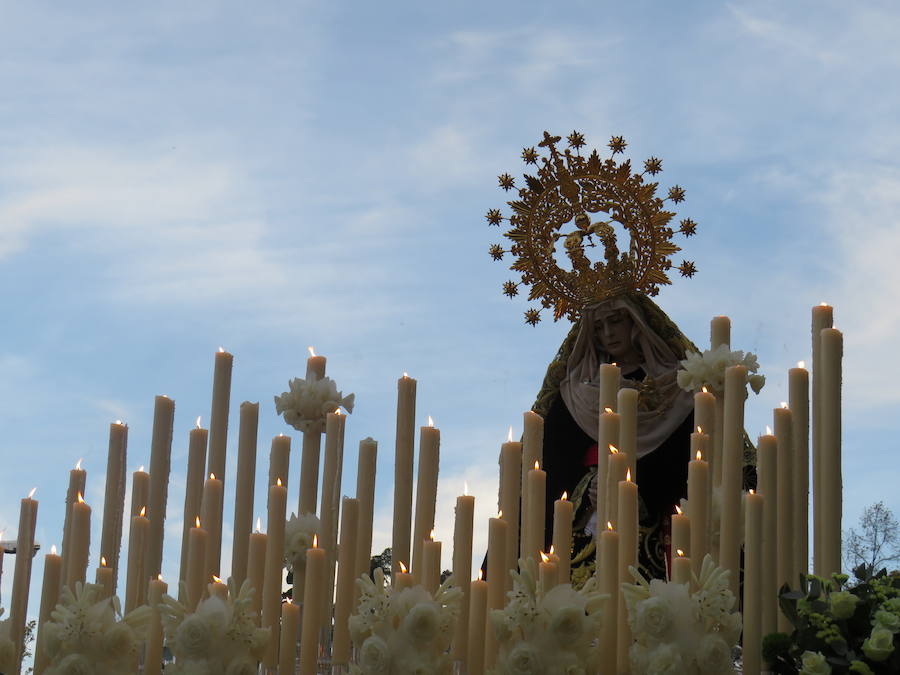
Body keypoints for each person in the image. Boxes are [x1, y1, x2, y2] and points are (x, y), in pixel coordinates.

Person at [533, 292, 698, 581]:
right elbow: (553, 464)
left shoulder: (674, 386)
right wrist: (587, 491)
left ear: (635, 323)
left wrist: (637, 485)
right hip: (586, 519)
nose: (608, 334)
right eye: (598, 327)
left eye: (615, 321)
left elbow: (689, 459)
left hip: (651, 526)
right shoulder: (577, 391)